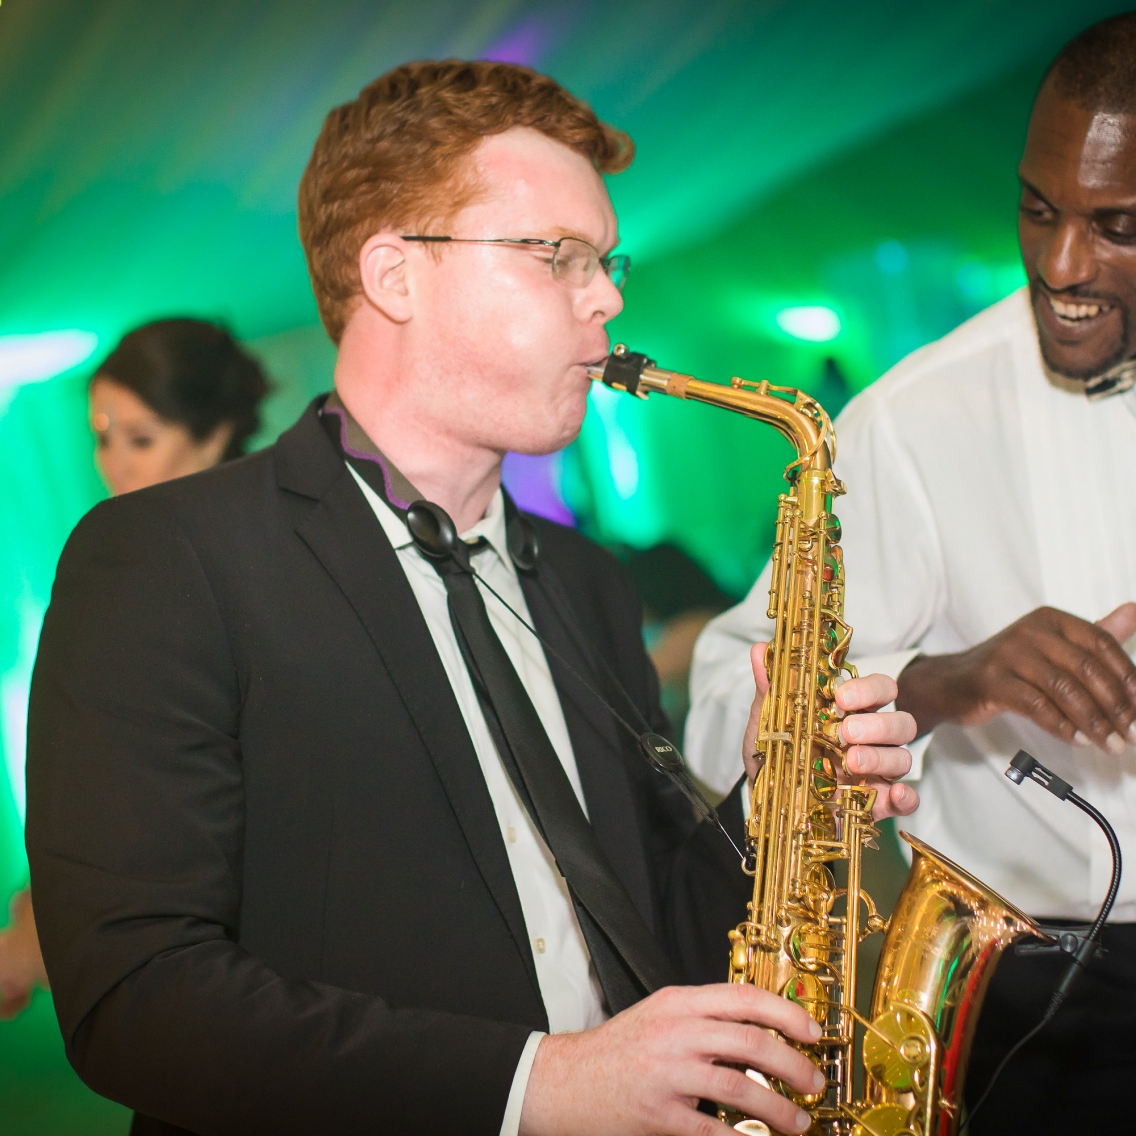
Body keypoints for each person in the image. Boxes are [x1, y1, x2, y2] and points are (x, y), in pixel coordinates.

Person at [24, 61, 916, 1136]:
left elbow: (651, 939)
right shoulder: (161, 558)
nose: (608, 296)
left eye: (606, 261)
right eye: (557, 256)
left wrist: (769, 801)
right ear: (395, 274)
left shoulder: (586, 580)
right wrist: (541, 1086)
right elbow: (137, 1001)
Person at [686, 14, 1136, 1133]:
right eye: (1038, 209)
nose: (1061, 266)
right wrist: (943, 682)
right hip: (1037, 1010)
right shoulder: (912, 417)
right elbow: (725, 705)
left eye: (1116, 225)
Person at [0, 318, 268, 1019]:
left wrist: (39, 936)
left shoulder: (195, 570)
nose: (114, 462)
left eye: (141, 439)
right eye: (103, 436)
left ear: (213, 436)